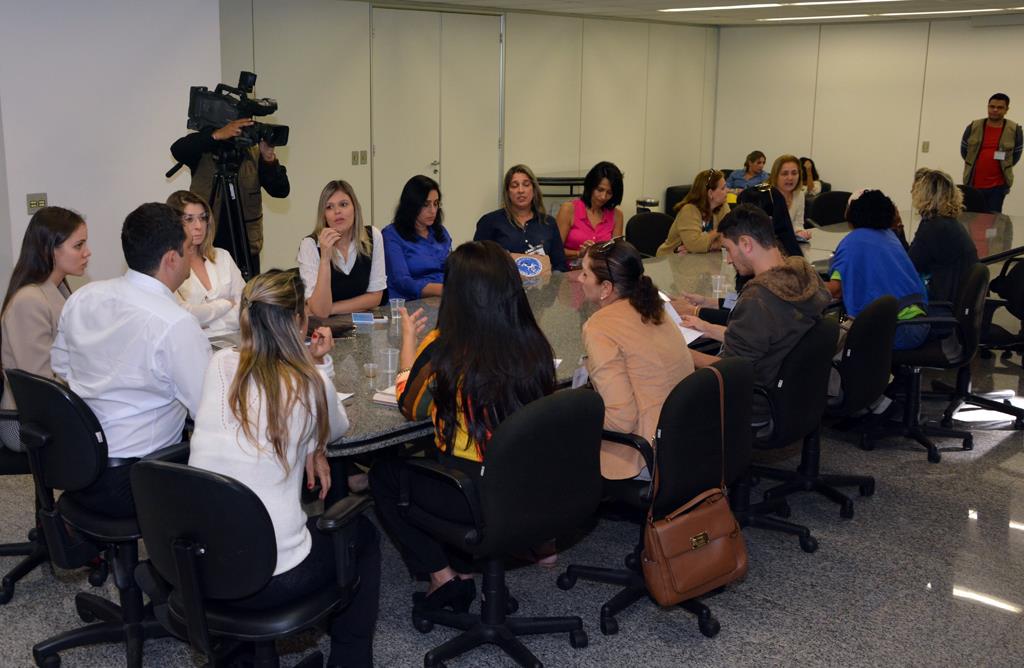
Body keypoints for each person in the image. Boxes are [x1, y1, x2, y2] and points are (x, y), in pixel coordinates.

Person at [188, 269, 379, 668]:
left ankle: (239, 654)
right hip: (272, 578)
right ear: (298, 322)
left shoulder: (220, 364)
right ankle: (351, 660)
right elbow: (338, 428)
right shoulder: (308, 382)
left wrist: (310, 442)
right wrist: (320, 368)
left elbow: (261, 415)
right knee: (362, 534)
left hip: (200, 567)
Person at [369, 241, 557, 609]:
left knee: (383, 474)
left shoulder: (447, 346)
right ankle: (501, 551)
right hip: (529, 485)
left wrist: (410, 343)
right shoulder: (533, 341)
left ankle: (444, 577)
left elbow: (411, 404)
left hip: (473, 494)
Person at [51, 203, 210, 517]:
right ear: (171, 259)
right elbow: (207, 408)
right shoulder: (175, 324)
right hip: (135, 478)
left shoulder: (84, 297)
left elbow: (61, 369)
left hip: (77, 464)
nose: (191, 255)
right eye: (188, 249)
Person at [684, 204, 829, 426]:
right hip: (794, 395)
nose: (729, 260)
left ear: (745, 244)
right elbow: (770, 338)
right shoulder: (802, 274)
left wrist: (681, 353)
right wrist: (707, 328)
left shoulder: (758, 298)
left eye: (728, 249)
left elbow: (730, 370)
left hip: (754, 403)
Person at [579, 239, 695, 480]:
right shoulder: (653, 305)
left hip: (645, 453)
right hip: (686, 438)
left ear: (606, 288)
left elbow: (621, 421)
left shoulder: (599, 326)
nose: (579, 279)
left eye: (585, 273)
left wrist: (578, 416)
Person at [1, 207, 91, 450]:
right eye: (78, 245)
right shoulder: (30, 300)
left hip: (45, 409)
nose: (87, 252)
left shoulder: (57, 290)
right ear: (50, 249)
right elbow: (38, 383)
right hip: (23, 422)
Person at [170, 118, 290, 274]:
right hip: (207, 243)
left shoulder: (253, 153)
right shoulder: (205, 149)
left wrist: (268, 158)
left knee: (247, 293)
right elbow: (178, 149)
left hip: (246, 245)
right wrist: (215, 135)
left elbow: (280, 190)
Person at [826, 190, 930, 350]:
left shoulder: (852, 242)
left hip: (895, 329)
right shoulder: (889, 236)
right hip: (919, 322)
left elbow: (836, 290)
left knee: (826, 344)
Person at [299, 180, 386, 318]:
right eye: (329, 207)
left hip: (363, 324)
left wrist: (331, 309)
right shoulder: (310, 245)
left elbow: (375, 297)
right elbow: (321, 312)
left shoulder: (373, 236)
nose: (337, 211)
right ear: (324, 215)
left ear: (355, 208)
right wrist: (325, 259)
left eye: (343, 204)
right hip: (324, 330)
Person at [166, 190, 245, 337]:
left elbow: (246, 306)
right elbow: (184, 316)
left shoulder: (222, 256)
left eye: (202, 218)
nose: (199, 226)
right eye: (189, 219)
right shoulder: (168, 264)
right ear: (174, 223)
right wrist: (227, 304)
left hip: (235, 340)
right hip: (192, 344)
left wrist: (207, 323)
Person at [474, 164, 567, 271]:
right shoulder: (490, 222)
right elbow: (476, 264)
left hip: (543, 287)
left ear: (534, 189)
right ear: (507, 192)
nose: (521, 190)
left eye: (526, 184)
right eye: (514, 185)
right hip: (503, 286)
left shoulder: (548, 223)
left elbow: (560, 265)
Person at [908, 169, 978, 304]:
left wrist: (896, 230)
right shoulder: (948, 222)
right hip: (958, 296)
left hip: (943, 300)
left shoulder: (934, 227)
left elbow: (909, 266)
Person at [382, 175, 451, 301]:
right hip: (409, 302)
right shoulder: (391, 235)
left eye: (436, 204)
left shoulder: (440, 232)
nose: (433, 211)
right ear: (411, 206)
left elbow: (452, 270)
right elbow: (403, 282)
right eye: (426, 204)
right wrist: (446, 290)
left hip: (444, 298)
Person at [961, 93, 1022, 213]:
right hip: (973, 185)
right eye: (992, 106)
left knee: (993, 225)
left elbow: (1015, 156)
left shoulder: (1014, 130)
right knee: (971, 220)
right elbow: (964, 152)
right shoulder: (973, 126)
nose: (995, 110)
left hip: (997, 188)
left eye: (1000, 107)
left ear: (1006, 110)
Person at [556, 161, 625, 261]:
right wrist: (579, 253)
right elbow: (555, 251)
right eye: (600, 190)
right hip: (571, 271)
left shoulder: (617, 215)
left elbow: (616, 254)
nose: (603, 197)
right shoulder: (569, 209)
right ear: (590, 186)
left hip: (601, 272)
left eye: (609, 193)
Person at [656, 169, 731, 256]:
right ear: (710, 193)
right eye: (723, 188)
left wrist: (709, 246)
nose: (728, 190)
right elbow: (695, 245)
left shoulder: (722, 206)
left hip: (700, 260)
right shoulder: (689, 210)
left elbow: (731, 238)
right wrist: (720, 229)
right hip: (670, 261)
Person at [769, 154, 812, 240]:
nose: (790, 178)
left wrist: (800, 233)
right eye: (784, 174)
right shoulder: (766, 195)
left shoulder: (799, 194)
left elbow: (798, 224)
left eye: (794, 173)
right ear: (775, 176)